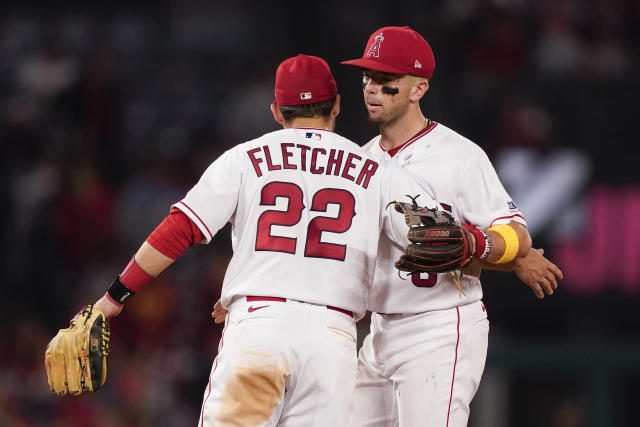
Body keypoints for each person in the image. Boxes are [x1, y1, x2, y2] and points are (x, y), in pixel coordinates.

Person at [47, 54, 456, 426]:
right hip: (332, 342)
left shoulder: (246, 157)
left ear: (277, 110)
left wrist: (113, 299)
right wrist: (494, 245)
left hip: (258, 331)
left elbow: (180, 228)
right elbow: (435, 236)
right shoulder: (376, 168)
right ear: (335, 106)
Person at [341, 26, 563, 427]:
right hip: (379, 333)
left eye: (386, 80)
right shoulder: (361, 160)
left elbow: (516, 234)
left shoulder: (458, 156)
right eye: (367, 78)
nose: (372, 88)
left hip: (439, 327)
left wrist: (495, 249)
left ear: (418, 88)